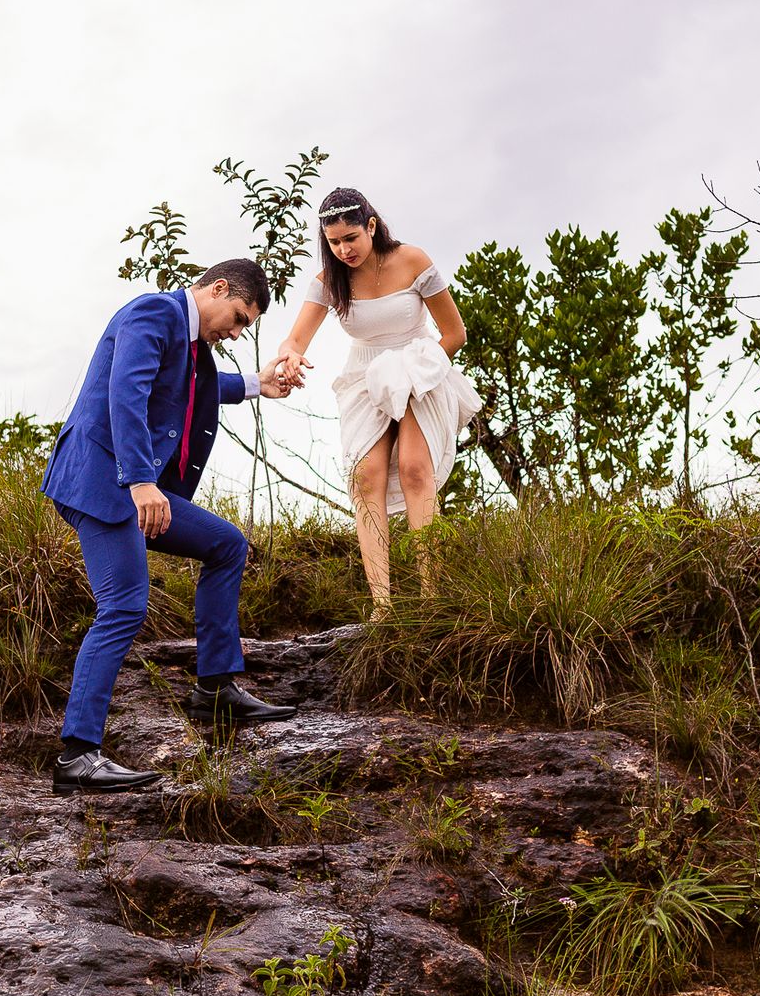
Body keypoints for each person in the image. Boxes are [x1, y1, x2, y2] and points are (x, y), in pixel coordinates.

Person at [40, 258, 303, 794]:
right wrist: (141, 480)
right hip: (103, 481)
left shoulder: (189, 345)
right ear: (218, 289)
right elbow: (126, 393)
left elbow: (198, 388)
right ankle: (78, 755)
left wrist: (259, 384)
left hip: (134, 488)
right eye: (239, 318)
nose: (236, 332)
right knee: (124, 606)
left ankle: (215, 689)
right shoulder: (154, 313)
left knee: (227, 545)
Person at [271, 189, 483, 619]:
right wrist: (289, 358)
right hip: (365, 377)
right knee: (365, 477)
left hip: (419, 368)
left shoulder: (413, 260)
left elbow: (455, 333)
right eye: (333, 242)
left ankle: (431, 598)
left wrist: (416, 371)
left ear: (371, 226)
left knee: (414, 468)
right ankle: (382, 606)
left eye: (351, 238)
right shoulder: (329, 281)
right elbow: (295, 339)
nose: (343, 250)